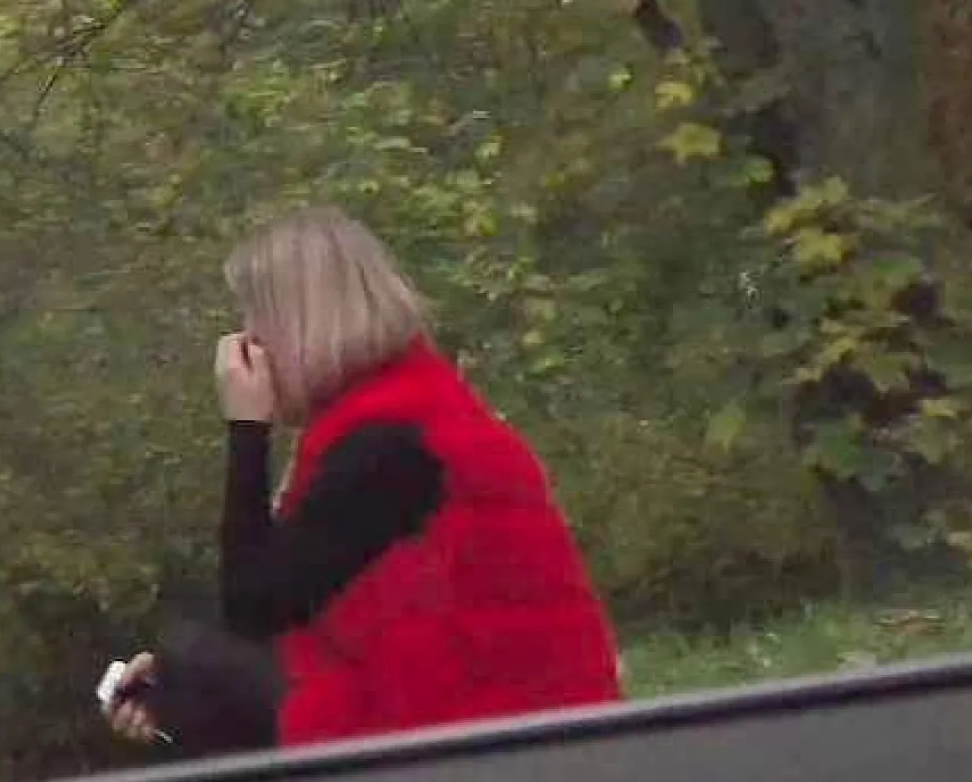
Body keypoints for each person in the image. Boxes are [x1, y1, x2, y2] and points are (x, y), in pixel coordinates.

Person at [106, 205, 621, 753]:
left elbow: (255, 604)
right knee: (193, 666)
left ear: (301, 325)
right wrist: (177, 687)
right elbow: (305, 616)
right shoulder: (414, 417)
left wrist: (247, 429)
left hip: (498, 745)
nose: (247, 342)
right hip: (521, 730)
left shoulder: (388, 448)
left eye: (257, 319)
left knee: (195, 657)